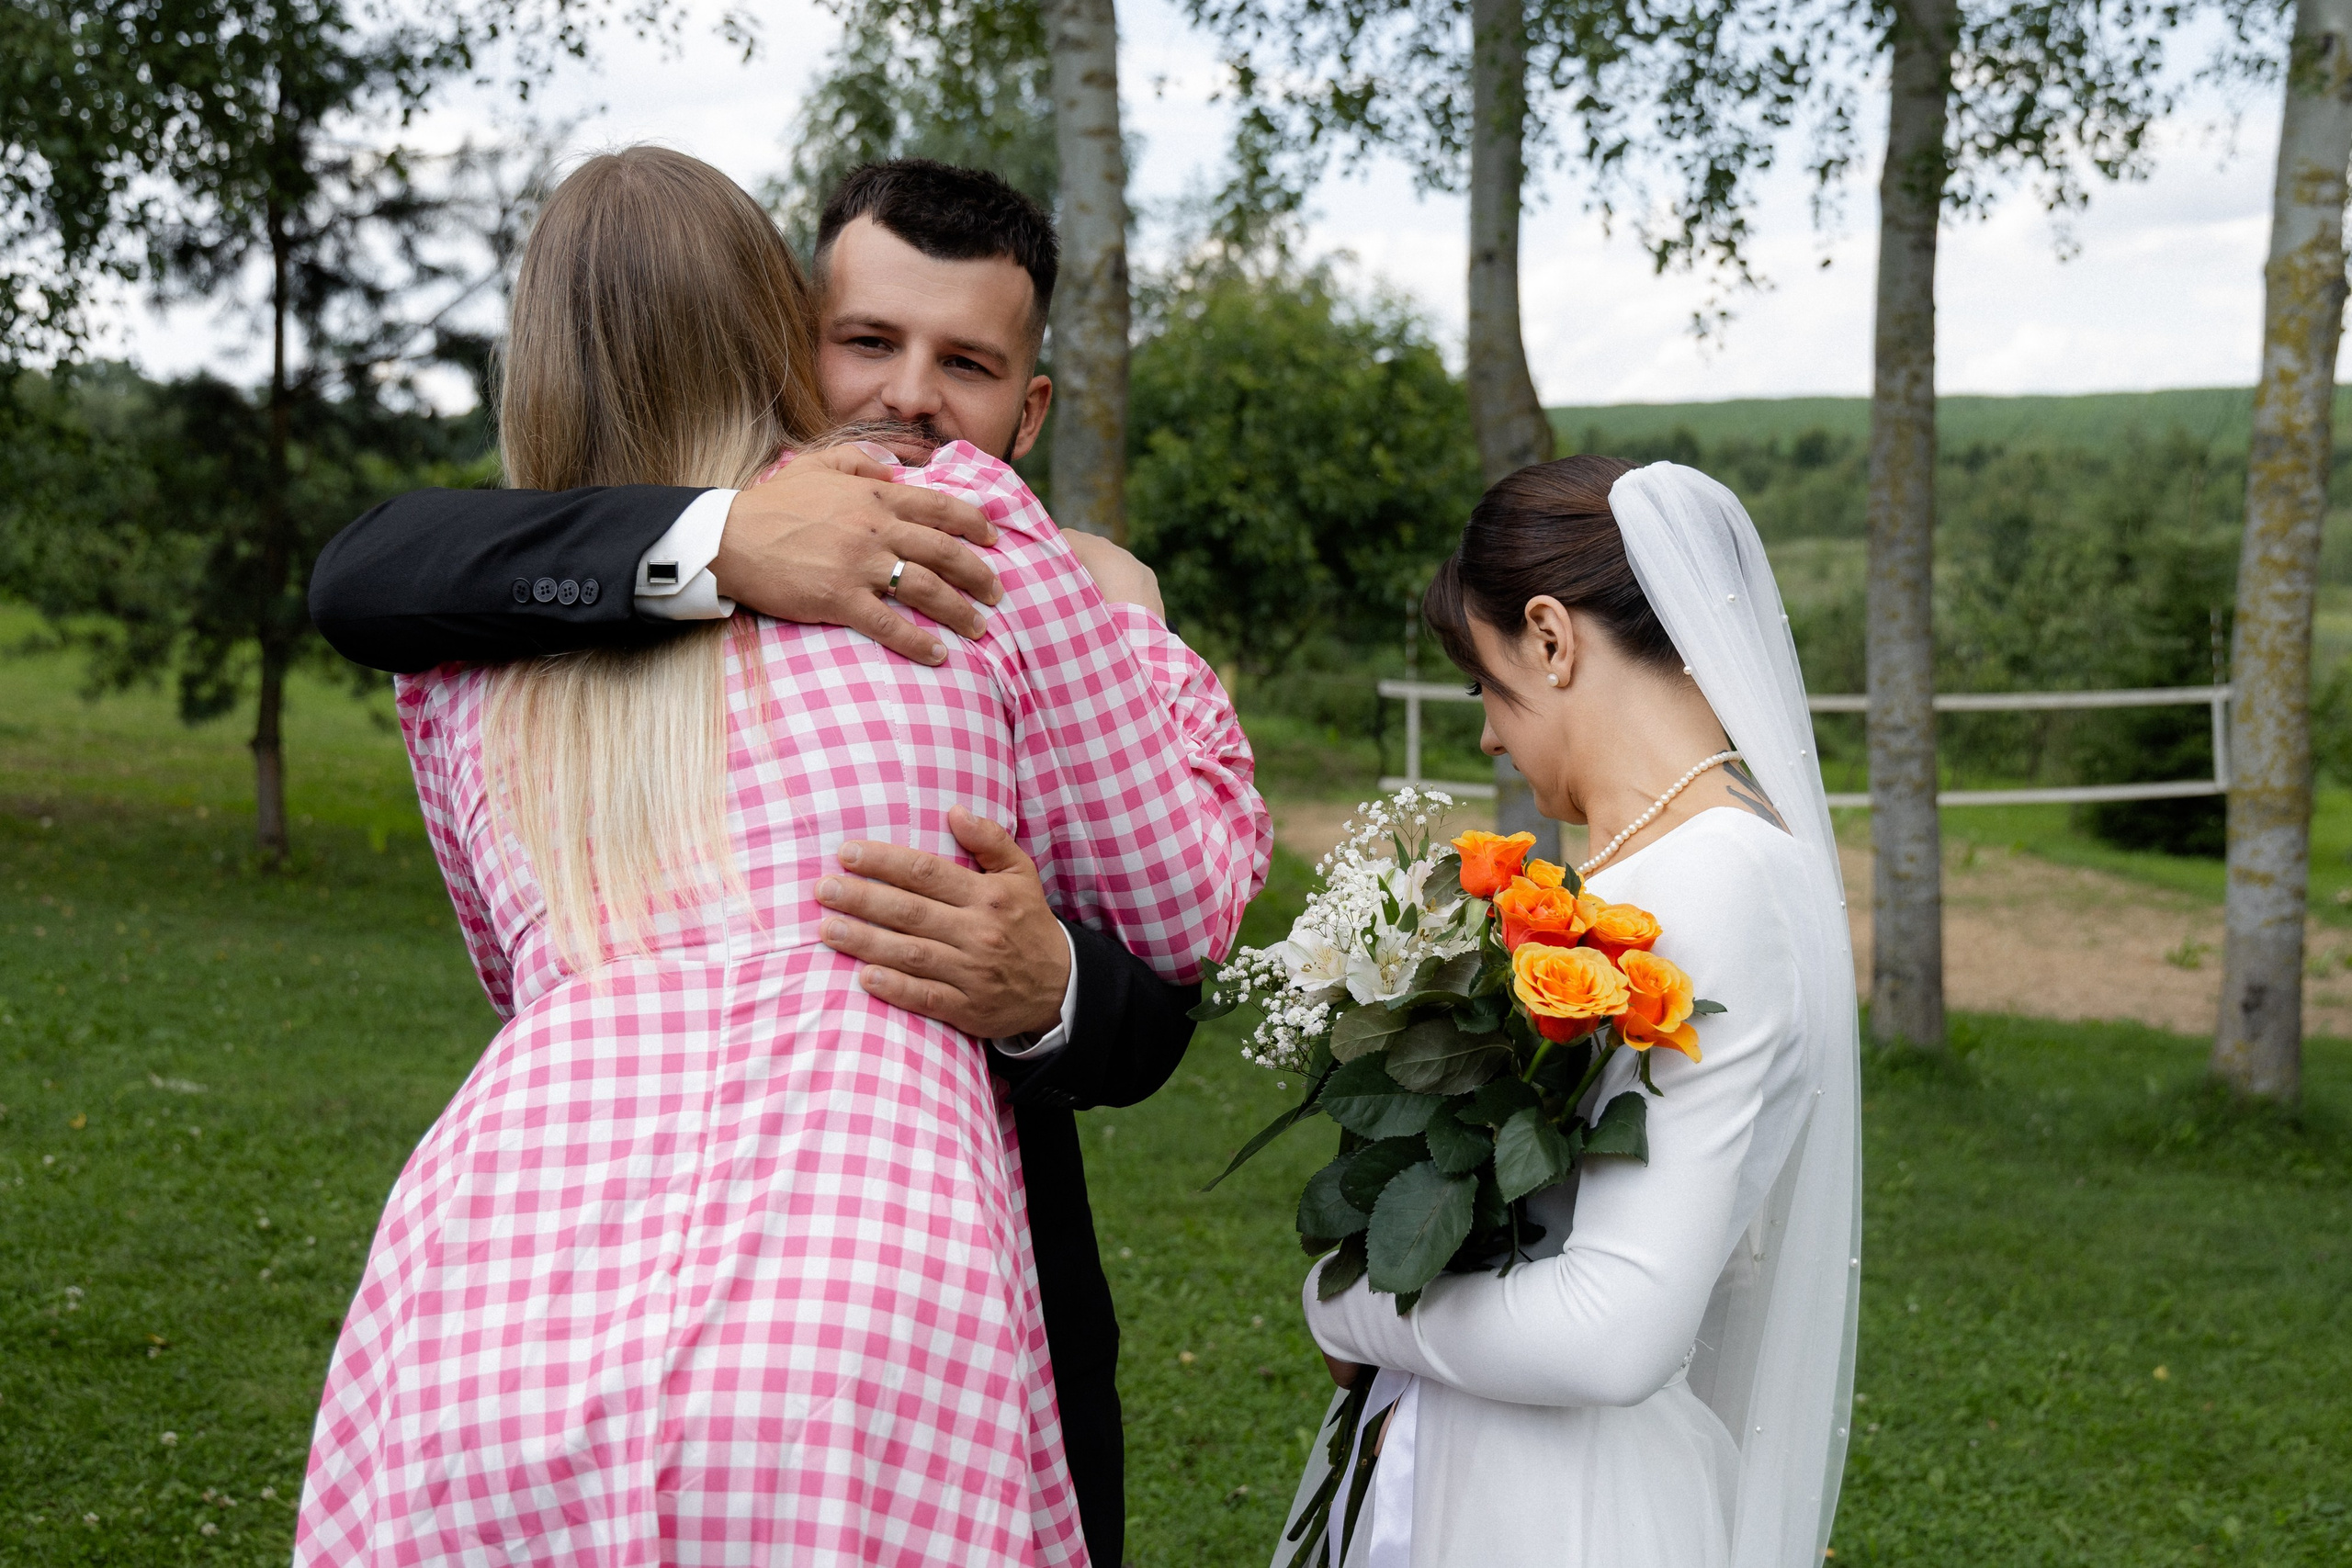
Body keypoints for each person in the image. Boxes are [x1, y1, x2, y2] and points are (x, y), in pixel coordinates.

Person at [294, 147, 1269, 1565]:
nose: (909, 396)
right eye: (865, 340)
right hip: (873, 1298)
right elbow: (1186, 896)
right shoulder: (979, 545)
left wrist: (1053, 974)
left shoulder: (454, 670)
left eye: (966, 364)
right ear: (781, 331)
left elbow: (526, 977)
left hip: (490, 1280)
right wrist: (1138, 620)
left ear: (1030, 403)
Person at [1278, 457, 1860, 1568]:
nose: (1491, 735)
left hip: (1557, 1507)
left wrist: (1342, 1304)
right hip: (1503, 1458)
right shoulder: (1702, 861)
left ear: (1551, 637)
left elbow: (1614, 1333)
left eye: (1487, 686)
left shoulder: (1710, 882)